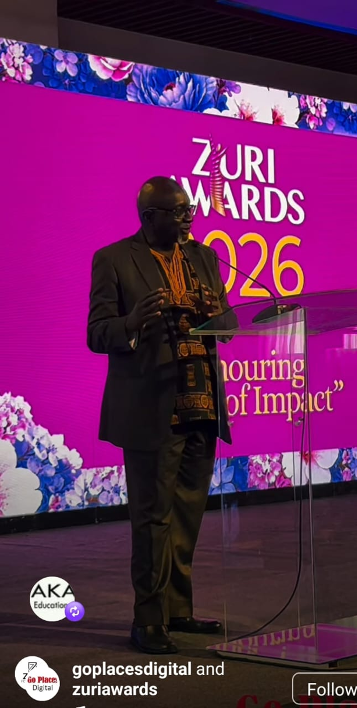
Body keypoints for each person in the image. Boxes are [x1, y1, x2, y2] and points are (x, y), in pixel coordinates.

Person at [87, 176, 234, 654]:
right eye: (179, 211)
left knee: (187, 514)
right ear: (150, 217)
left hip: (202, 403)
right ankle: (147, 620)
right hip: (151, 408)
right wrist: (132, 322)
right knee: (153, 518)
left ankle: (177, 610)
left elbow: (230, 325)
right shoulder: (113, 259)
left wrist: (215, 314)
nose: (188, 218)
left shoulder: (205, 257)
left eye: (190, 209)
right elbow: (97, 333)